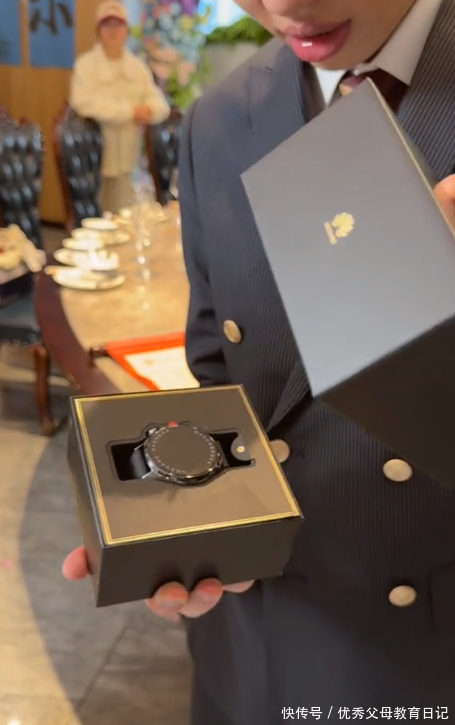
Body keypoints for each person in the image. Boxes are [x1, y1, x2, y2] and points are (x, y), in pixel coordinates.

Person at [63, 0, 455, 721]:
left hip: (423, 652)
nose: (284, 6)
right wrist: (182, 531)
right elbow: (223, 377)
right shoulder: (219, 118)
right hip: (249, 641)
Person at [70, 0, 170, 214]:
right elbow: (83, 103)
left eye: (118, 25)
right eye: (107, 25)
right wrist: (130, 112)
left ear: (127, 30)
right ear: (98, 31)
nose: (113, 31)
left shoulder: (137, 67)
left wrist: (149, 111)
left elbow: (161, 105)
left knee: (130, 217)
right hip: (94, 163)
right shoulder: (86, 65)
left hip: (130, 162)